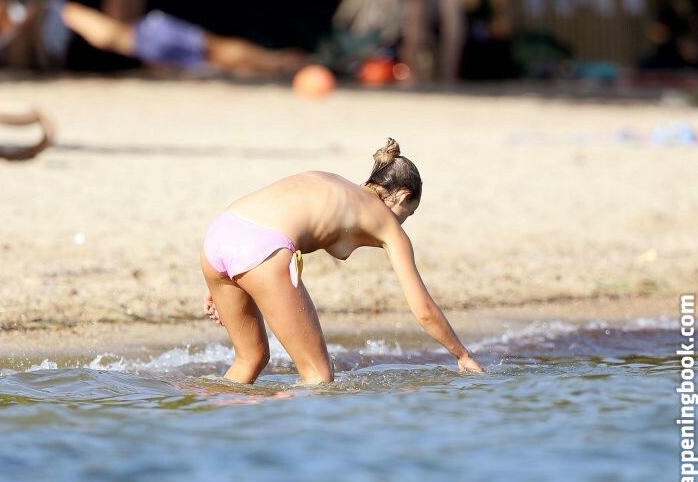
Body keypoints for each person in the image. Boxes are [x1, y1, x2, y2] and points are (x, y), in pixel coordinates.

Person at [201, 138, 485, 385]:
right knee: (318, 378)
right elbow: (423, 309)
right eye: (408, 214)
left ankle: (211, 410)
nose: (403, 222)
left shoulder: (334, 182)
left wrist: (226, 282)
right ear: (403, 196)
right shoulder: (387, 223)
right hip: (259, 251)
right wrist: (462, 355)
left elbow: (269, 217)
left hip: (220, 236)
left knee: (251, 358)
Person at [0, 0, 305, 77]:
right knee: (216, 57)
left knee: (218, 52)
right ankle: (289, 64)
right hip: (106, 47)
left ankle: (291, 62)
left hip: (117, 37)